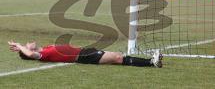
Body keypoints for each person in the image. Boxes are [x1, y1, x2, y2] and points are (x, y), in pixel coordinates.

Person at [8, 41, 163, 68]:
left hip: (85, 52)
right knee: (117, 57)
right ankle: (151, 62)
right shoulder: (41, 55)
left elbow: (30, 52)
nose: (27, 43)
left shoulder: (44, 50)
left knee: (118, 58)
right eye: (26, 45)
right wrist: (21, 47)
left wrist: (21, 49)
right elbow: (30, 54)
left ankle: (151, 62)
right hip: (84, 56)